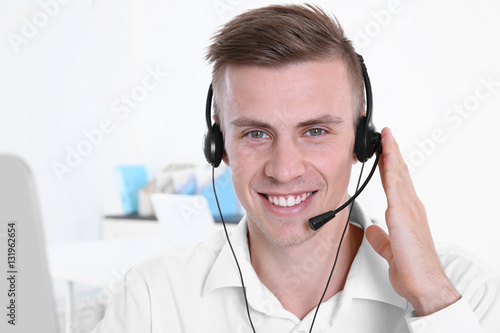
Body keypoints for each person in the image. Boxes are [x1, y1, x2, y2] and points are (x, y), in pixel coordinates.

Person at [93, 4, 499, 332]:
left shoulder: (464, 291)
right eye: (256, 134)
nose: (284, 170)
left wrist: (434, 302)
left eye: (316, 131)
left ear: (362, 141)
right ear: (220, 147)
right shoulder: (151, 298)